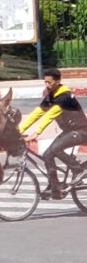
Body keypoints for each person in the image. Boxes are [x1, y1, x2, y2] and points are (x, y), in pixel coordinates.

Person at [19, 67, 87, 199]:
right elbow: (37, 113)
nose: (47, 85)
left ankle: (78, 170)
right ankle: (54, 186)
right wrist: (19, 131)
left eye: (49, 82)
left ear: (58, 81)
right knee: (48, 154)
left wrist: (36, 133)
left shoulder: (65, 96)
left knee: (55, 149)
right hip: (69, 131)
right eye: (45, 82)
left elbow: (50, 115)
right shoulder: (52, 95)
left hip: (81, 131)